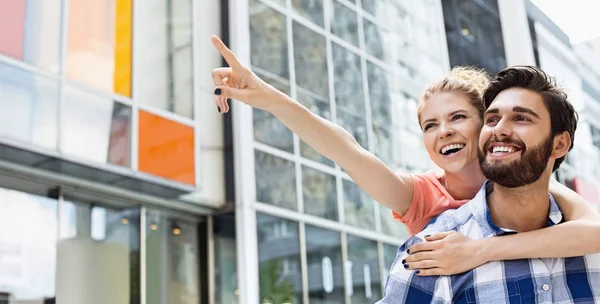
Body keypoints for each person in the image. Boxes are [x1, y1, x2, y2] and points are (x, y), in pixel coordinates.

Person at [210, 35, 600, 276]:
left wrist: (480, 250)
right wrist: (269, 98)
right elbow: (348, 151)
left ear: (487, 126)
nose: (443, 130)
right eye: (430, 125)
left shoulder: (517, 179)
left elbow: (593, 232)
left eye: (458, 117)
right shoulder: (423, 197)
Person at [378, 65, 600, 303]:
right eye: (492, 119)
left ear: (560, 144)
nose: (500, 129)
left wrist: (481, 250)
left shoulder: (587, 241)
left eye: (521, 118)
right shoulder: (433, 254)